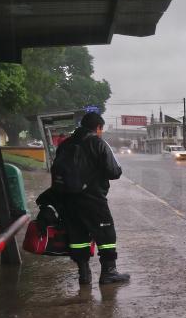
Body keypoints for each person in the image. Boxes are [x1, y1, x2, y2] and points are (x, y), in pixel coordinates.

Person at [51, 112, 130, 285]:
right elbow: (114, 172)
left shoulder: (65, 144)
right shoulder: (98, 143)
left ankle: (84, 274)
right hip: (92, 199)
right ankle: (109, 272)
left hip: (67, 199)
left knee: (77, 236)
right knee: (106, 234)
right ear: (98, 128)